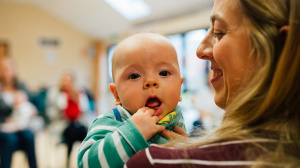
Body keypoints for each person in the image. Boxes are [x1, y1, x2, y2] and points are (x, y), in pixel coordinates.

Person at [125, 0, 300, 167]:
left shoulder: (151, 162)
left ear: (282, 47)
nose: (200, 50)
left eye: (218, 32)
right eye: (134, 76)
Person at [77, 33, 185, 168]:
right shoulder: (110, 122)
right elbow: (86, 164)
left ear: (179, 87)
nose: (151, 81)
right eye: (134, 76)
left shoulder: (177, 120)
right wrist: (133, 133)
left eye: (163, 73)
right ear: (117, 94)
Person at [46, 70, 90, 167]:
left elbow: (84, 110)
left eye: (69, 81)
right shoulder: (56, 94)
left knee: (84, 134)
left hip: (78, 123)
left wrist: (76, 101)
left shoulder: (79, 93)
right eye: (65, 80)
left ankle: (84, 161)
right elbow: (53, 112)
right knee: (71, 133)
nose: (67, 83)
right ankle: (67, 161)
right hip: (62, 124)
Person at [0, 57, 37, 168]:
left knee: (29, 136)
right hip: (3, 126)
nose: (7, 70)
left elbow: (32, 105)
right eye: (4, 68)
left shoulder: (22, 87)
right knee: (10, 139)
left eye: (10, 67)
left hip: (20, 126)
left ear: (15, 69)